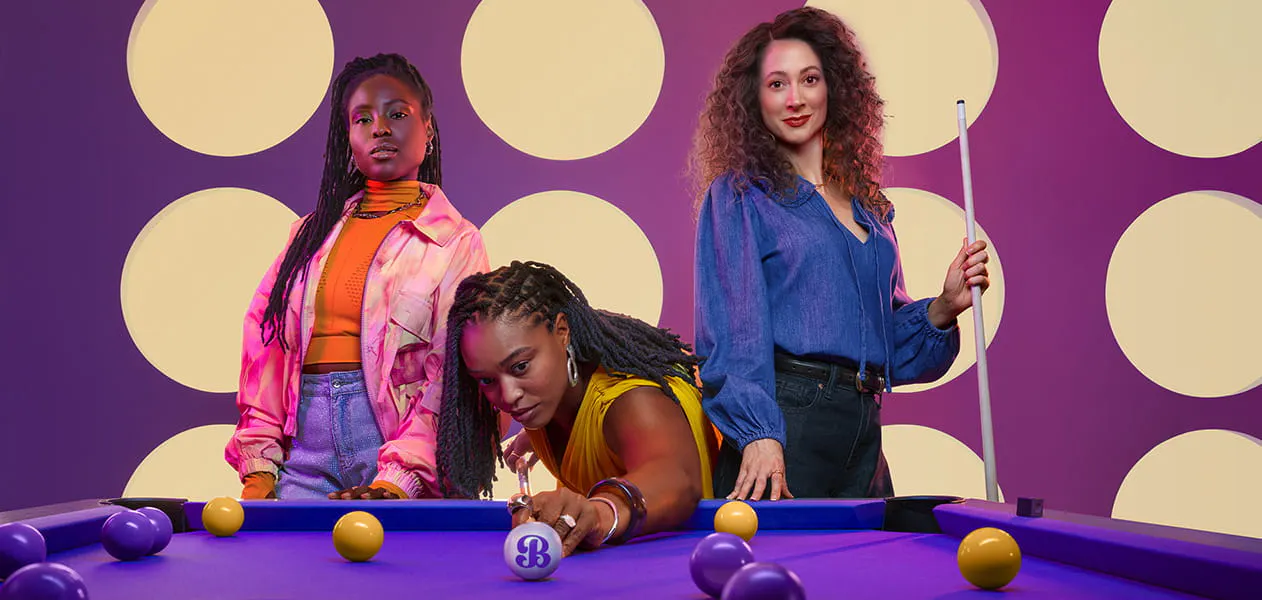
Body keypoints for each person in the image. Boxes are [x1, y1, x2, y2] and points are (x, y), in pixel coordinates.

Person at [691, 7, 991, 502]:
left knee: (865, 575)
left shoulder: (869, 210)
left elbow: (886, 346)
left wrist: (942, 306)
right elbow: (732, 334)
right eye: (776, 84)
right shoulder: (742, 195)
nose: (795, 99)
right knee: (780, 575)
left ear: (833, 86)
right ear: (754, 99)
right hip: (788, 423)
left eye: (809, 79)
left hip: (863, 428)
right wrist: (758, 433)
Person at [226, 53, 489, 500]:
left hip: (395, 451)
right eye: (362, 119)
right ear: (348, 137)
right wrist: (259, 465)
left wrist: (399, 480)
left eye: (397, 114)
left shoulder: (456, 242)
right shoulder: (309, 235)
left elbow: (451, 376)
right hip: (303, 453)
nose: (380, 128)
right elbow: (265, 344)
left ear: (428, 127)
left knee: (398, 570)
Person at [436, 261, 716, 556]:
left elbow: (676, 477)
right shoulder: (551, 399)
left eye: (520, 366)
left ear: (562, 332)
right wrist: (537, 433)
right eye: (487, 380)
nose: (508, 396)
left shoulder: (633, 401)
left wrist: (600, 512)